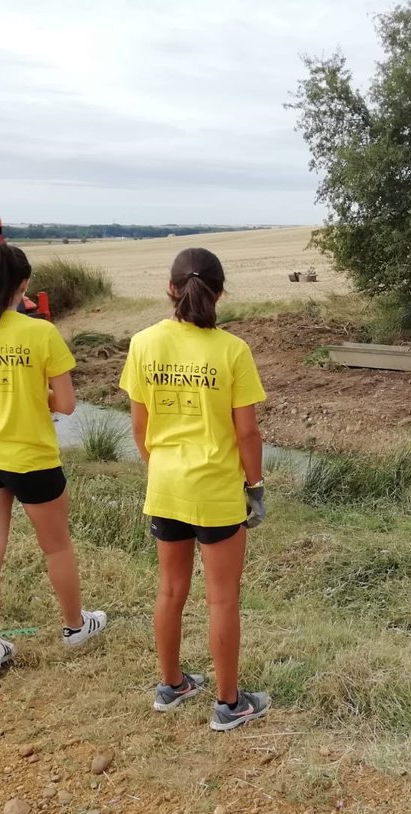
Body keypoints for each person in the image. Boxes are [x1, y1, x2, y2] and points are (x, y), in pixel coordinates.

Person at [0, 242, 106, 678]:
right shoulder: (40, 333)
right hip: (32, 458)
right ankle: (74, 627)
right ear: (24, 284)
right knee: (57, 546)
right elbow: (66, 404)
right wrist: (32, 392)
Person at [120, 247, 270, 730]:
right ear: (221, 292)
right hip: (217, 490)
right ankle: (230, 705)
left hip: (166, 485)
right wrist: (257, 485)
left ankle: (172, 685)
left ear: (171, 288)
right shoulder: (232, 351)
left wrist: (161, 466)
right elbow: (247, 433)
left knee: (169, 590)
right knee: (222, 598)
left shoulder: (143, 343)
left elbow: (138, 427)